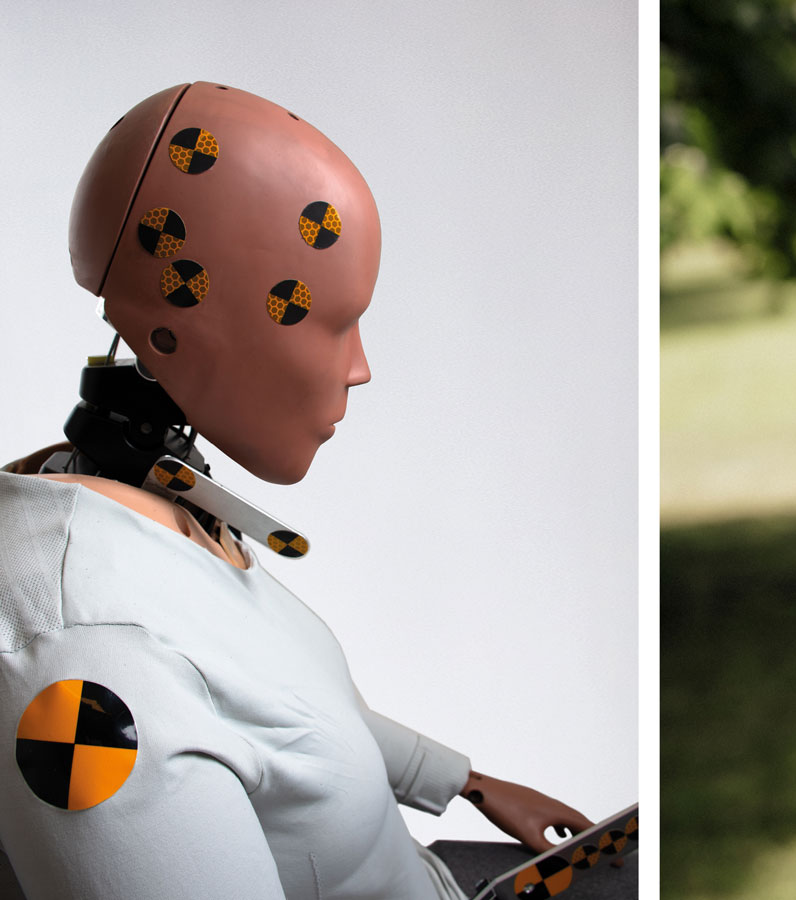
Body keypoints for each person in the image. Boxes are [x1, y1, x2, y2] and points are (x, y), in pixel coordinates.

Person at [0, 82, 589, 899]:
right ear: (202, 328)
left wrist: (468, 783)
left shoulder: (136, 500)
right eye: (335, 321)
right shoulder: (90, 658)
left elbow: (285, 715)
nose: (360, 366)